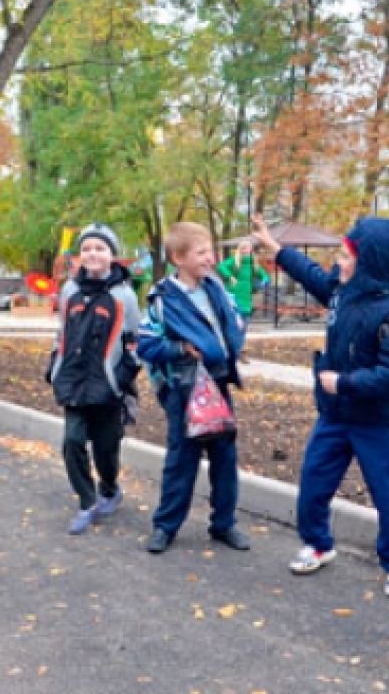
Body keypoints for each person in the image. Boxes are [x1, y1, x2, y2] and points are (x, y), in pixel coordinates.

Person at [251, 214, 389, 599]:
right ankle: (318, 544)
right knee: (314, 482)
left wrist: (343, 382)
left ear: (370, 263)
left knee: (387, 494)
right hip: (334, 417)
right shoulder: (342, 291)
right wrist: (276, 248)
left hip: (377, 423)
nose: (337, 262)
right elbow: (309, 273)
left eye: (345, 255)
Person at [138, 222, 250, 554]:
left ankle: (224, 524)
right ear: (178, 258)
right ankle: (165, 526)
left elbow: (233, 321)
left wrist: (234, 345)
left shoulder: (215, 289)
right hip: (184, 389)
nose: (210, 258)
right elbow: (145, 344)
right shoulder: (163, 299)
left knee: (225, 458)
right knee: (181, 460)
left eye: (210, 251)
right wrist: (179, 349)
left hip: (217, 385)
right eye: (201, 252)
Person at [45, 224, 141, 535]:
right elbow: (61, 333)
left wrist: (124, 377)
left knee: (105, 447)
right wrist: (54, 366)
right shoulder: (70, 291)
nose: (93, 253)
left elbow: (135, 342)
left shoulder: (124, 295)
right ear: (79, 255)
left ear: (113, 255)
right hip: (73, 382)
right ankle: (87, 503)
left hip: (108, 387)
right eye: (87, 248)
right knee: (72, 441)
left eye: (100, 248)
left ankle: (110, 488)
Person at [217, 239, 269, 356]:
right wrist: (230, 277)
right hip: (234, 298)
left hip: (246, 299)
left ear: (251, 249)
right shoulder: (234, 262)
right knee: (235, 325)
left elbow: (263, 274)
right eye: (243, 248)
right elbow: (221, 266)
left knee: (244, 326)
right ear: (239, 249)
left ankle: (238, 350)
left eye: (248, 247)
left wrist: (264, 280)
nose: (246, 250)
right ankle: (232, 350)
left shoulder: (253, 264)